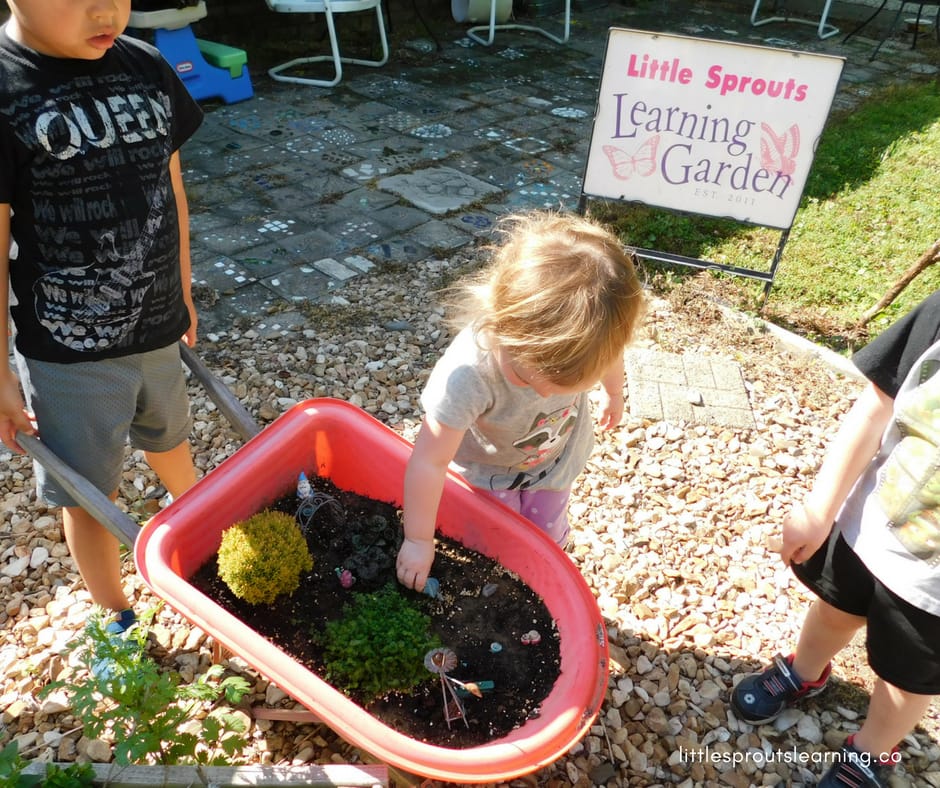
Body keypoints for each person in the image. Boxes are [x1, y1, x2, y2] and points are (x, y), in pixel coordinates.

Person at [0, 0, 204, 635]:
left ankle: (201, 542)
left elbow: (171, 189)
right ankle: (114, 613)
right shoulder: (7, 87)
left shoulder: (144, 65)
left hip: (157, 323)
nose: (104, 9)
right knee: (89, 491)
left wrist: (184, 289)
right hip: (69, 351)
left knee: (172, 439)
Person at [731, 291, 940, 787]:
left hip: (933, 588)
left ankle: (871, 752)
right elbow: (876, 408)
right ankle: (806, 671)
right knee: (833, 609)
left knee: (906, 678)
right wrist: (818, 510)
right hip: (870, 529)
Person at [396, 211, 645, 593]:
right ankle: (499, 577)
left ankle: (540, 565)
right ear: (505, 328)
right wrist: (418, 540)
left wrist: (614, 392)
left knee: (546, 532)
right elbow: (429, 460)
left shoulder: (595, 339)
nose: (546, 395)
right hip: (487, 470)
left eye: (572, 385)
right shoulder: (467, 375)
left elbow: (613, 354)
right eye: (533, 380)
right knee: (496, 537)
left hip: (556, 459)